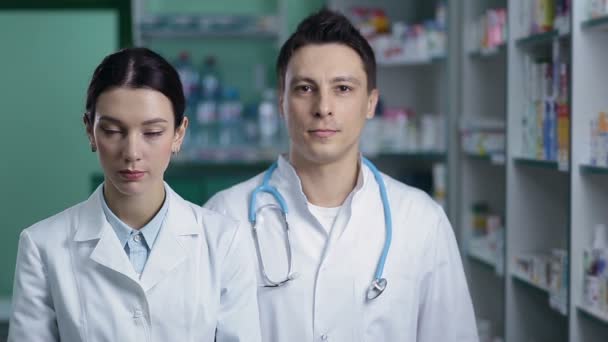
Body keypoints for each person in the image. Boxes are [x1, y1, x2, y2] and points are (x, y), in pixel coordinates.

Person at [204, 9, 478, 341]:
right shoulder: (225, 217)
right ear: (281, 103)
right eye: (305, 88)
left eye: (343, 88)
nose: (323, 107)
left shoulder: (421, 221)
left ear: (371, 103)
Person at [8, 47, 261, 342]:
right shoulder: (42, 246)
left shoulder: (224, 241)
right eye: (113, 131)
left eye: (152, 133)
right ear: (90, 131)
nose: (132, 153)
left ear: (179, 133)